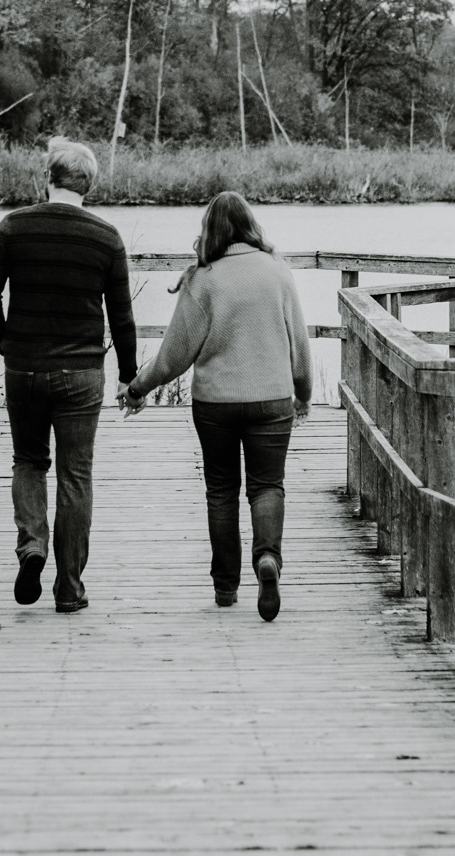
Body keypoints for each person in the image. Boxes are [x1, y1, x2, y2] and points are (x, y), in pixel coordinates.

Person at [122, 191, 312, 620]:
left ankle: (226, 587)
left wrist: (137, 388)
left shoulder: (203, 279)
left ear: (210, 230)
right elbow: (299, 345)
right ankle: (267, 560)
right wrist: (303, 394)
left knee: (222, 491)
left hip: (216, 403)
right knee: (267, 485)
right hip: (272, 399)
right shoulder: (278, 272)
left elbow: (174, 356)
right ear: (251, 225)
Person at [0, 136, 139, 613]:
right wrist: (130, 377)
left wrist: (5, 343)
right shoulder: (106, 237)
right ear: (88, 185)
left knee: (28, 461)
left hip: (24, 368)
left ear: (48, 178)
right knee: (76, 475)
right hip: (82, 372)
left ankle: (32, 549)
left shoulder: (12, 227)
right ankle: (69, 589)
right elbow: (123, 318)